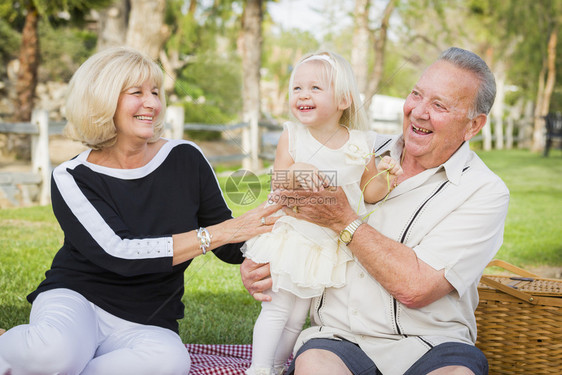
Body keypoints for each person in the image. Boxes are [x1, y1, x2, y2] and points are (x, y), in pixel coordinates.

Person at [0, 46, 280, 375]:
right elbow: (120, 253)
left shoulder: (185, 158)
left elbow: (230, 242)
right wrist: (220, 233)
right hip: (78, 300)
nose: (152, 103)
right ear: (103, 100)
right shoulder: (72, 177)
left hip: (149, 319)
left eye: (156, 92)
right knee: (53, 354)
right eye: (137, 92)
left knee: (170, 363)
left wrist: (261, 252)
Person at [241, 46, 510, 375]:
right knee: (314, 367)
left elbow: (417, 288)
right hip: (338, 339)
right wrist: (263, 263)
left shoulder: (484, 191)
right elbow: (285, 202)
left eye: (439, 105)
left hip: (434, 344)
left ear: (473, 125)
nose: (419, 111)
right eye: (416, 95)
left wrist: (344, 221)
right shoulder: (359, 147)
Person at [243, 51, 402, 375]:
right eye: (297, 88)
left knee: (297, 315)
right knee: (277, 309)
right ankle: (258, 369)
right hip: (294, 238)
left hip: (326, 245)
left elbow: (369, 191)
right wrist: (298, 169)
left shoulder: (360, 143)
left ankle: (275, 366)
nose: (303, 95)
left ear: (344, 99)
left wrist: (387, 175)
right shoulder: (293, 136)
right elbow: (278, 187)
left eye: (315, 88)